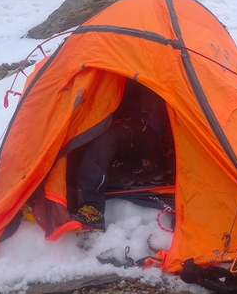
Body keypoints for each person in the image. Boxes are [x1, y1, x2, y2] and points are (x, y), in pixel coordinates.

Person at [71, 80, 170, 232]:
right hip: (127, 128)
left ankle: (92, 210)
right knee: (79, 140)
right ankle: (52, 191)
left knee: (105, 140)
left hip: (145, 130)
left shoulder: (150, 74)